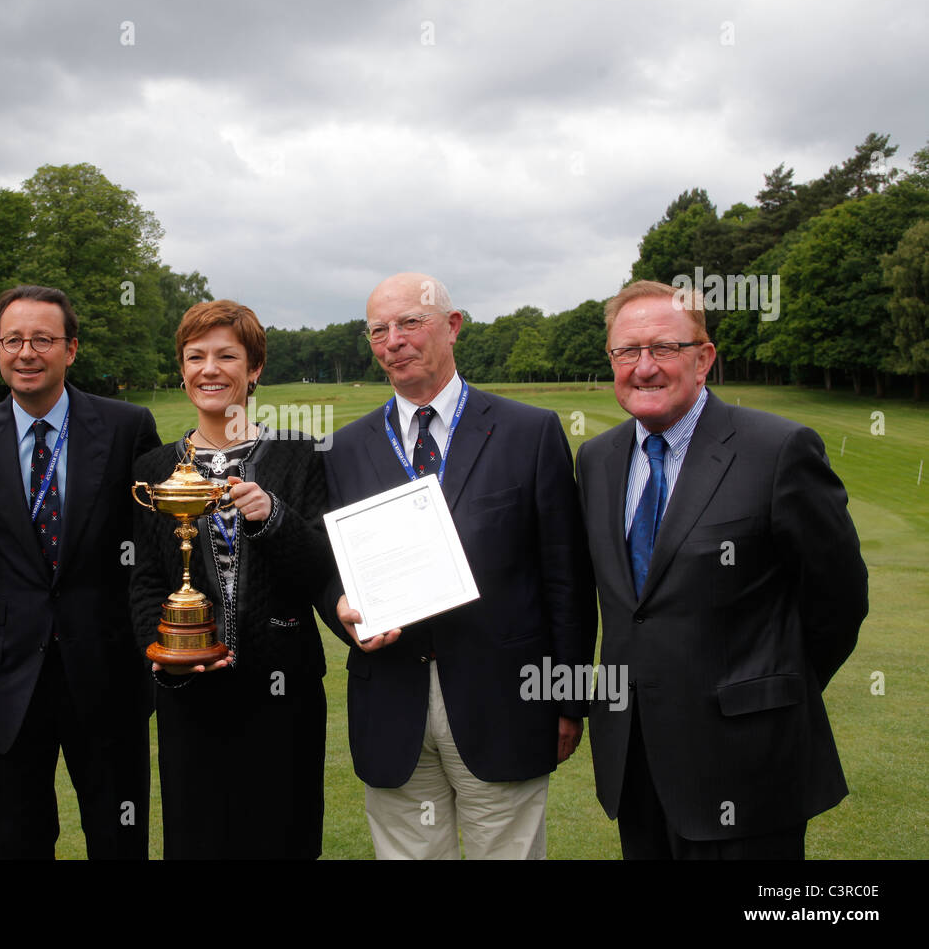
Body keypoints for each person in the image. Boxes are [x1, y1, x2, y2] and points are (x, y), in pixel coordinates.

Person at [576, 280, 868, 859]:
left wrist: (766, 687)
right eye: (627, 352)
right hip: (634, 760)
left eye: (664, 348)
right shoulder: (598, 459)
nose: (644, 367)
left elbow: (838, 599)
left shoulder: (778, 450)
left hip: (748, 761)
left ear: (704, 357)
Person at [321, 272, 596, 859]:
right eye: (378, 329)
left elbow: (565, 577)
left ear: (452, 326)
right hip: (392, 699)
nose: (392, 340)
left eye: (409, 323)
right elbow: (331, 571)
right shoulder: (346, 448)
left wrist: (569, 698)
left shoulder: (529, 432)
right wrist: (340, 611)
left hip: (506, 702)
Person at [0, 284, 160, 859]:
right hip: (10, 675)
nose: (26, 352)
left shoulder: (126, 427)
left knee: (118, 838)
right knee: (19, 839)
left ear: (71, 349)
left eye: (42, 339)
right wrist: (15, 612)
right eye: (14, 340)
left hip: (109, 672)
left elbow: (148, 543)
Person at [130, 300, 331, 859]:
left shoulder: (298, 455)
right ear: (182, 369)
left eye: (227, 355)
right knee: (198, 841)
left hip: (282, 692)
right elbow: (145, 580)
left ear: (255, 368)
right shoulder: (155, 469)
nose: (209, 369)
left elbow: (321, 572)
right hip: (191, 696)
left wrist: (274, 517)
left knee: (281, 840)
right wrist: (168, 654)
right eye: (195, 356)